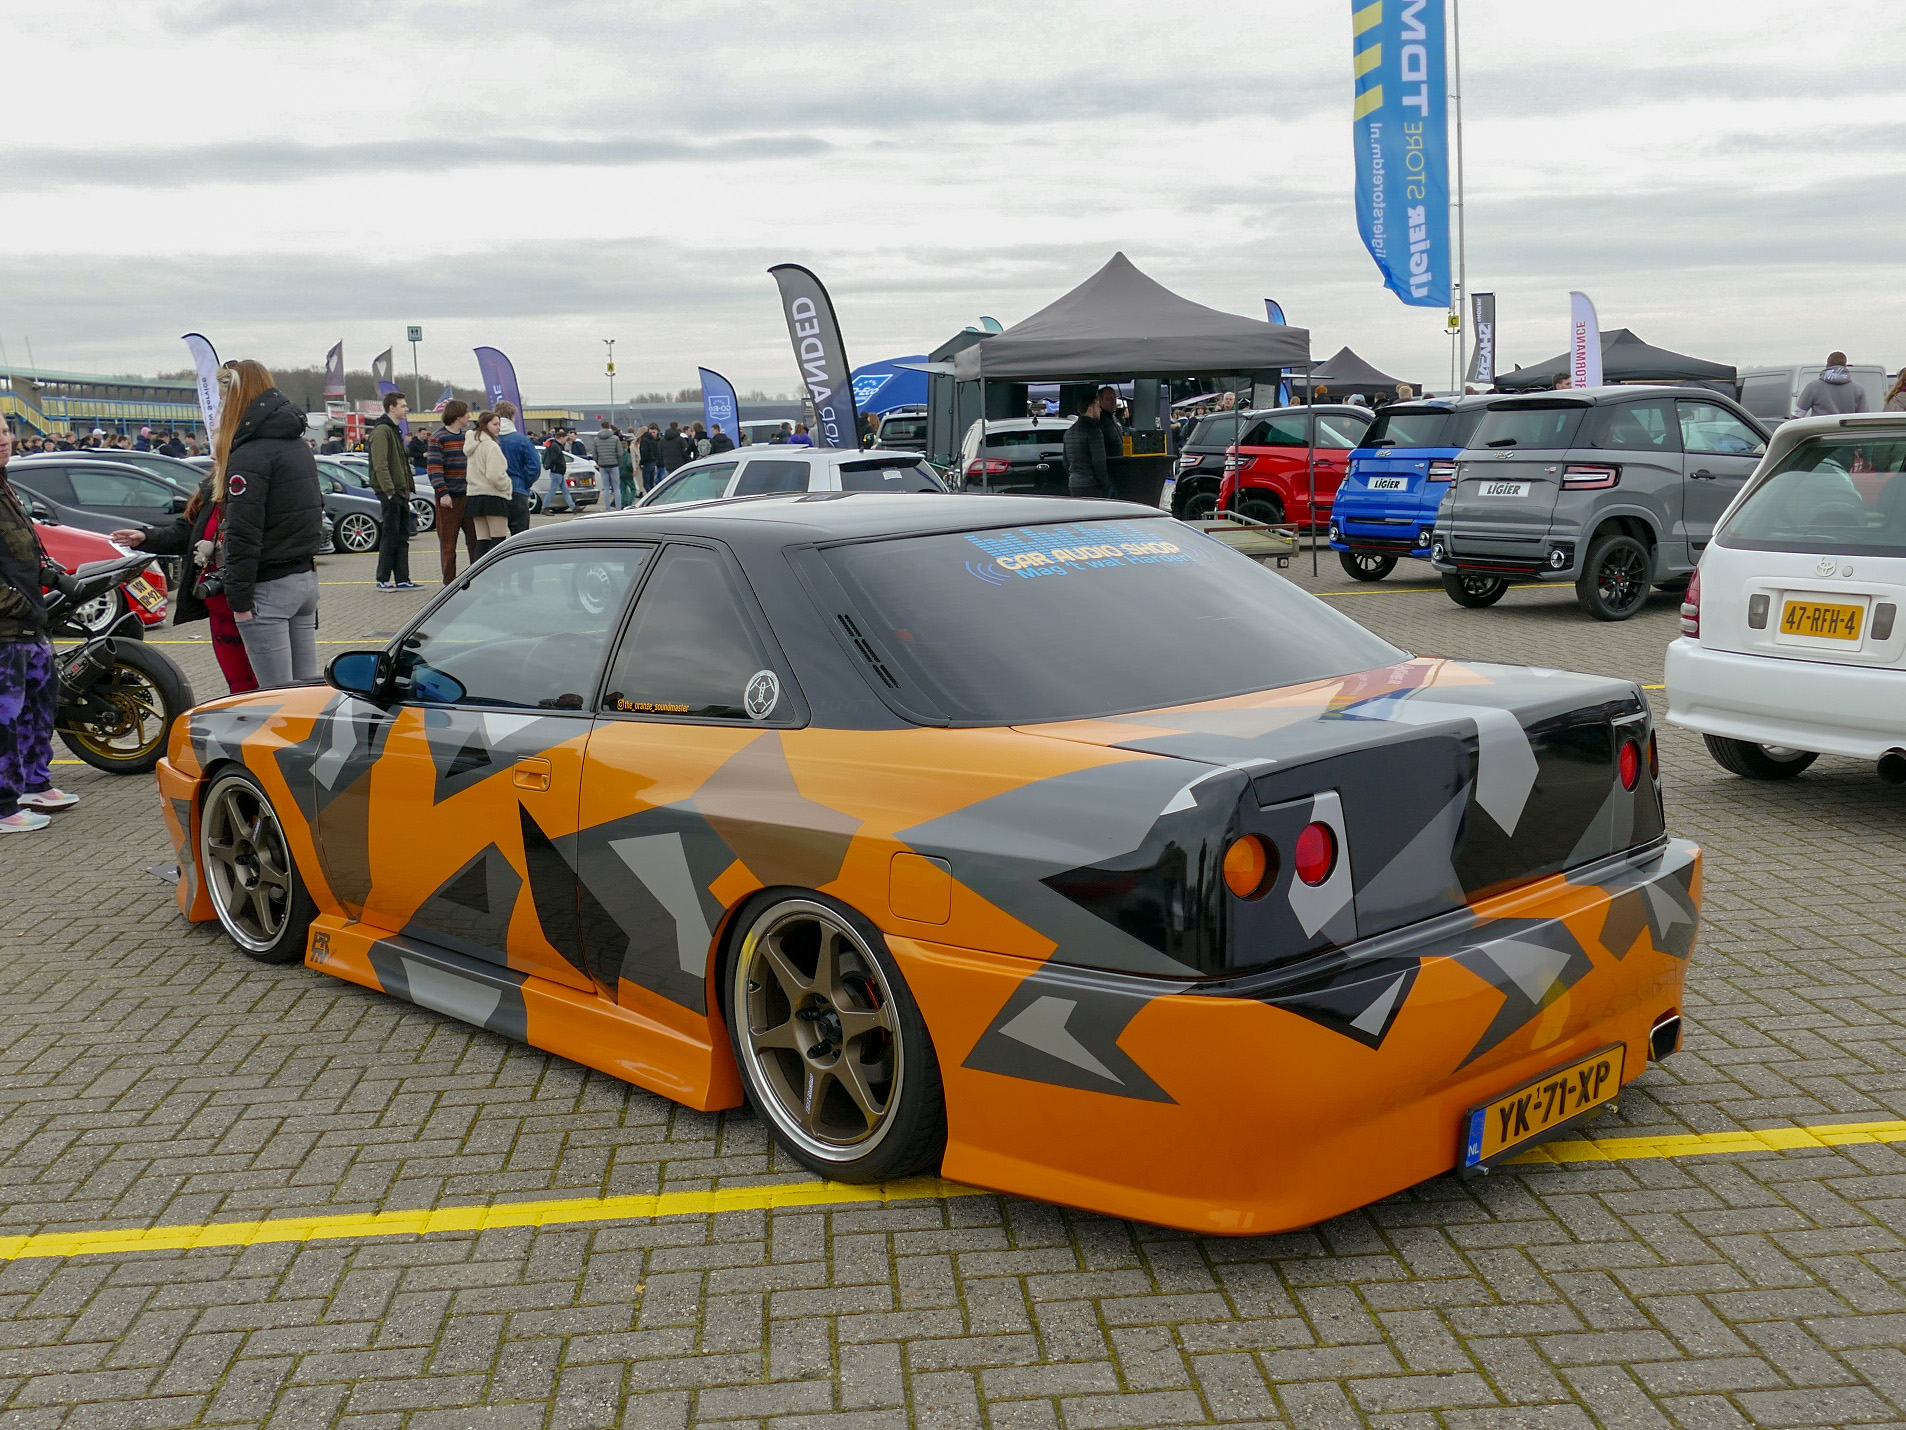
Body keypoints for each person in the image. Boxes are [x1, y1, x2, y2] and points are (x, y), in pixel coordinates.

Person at [211, 360, 326, 687]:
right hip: (303, 579)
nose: (220, 406)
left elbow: (244, 532)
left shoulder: (250, 455)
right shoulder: (298, 446)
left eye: (223, 397)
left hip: (270, 587)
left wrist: (239, 600)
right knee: (305, 693)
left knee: (275, 699)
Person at [112, 471, 259, 695]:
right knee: (239, 684)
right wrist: (146, 538)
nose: (213, 443)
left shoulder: (250, 483)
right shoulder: (213, 485)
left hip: (255, 603)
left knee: (268, 683)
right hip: (219, 605)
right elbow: (187, 531)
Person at [0, 421, 79, 832]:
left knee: (39, 706)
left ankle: (34, 782)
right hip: (7, 628)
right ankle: (3, 805)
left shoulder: (6, 486)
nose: (2, 439)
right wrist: (22, 606)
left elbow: (24, 550)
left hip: (30, 624)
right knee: (4, 718)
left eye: (4, 431)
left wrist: (51, 575)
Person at [367, 390, 420, 591]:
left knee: (402, 536)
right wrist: (389, 491)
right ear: (392, 407)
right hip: (391, 492)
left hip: (401, 490)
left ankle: (402, 578)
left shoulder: (395, 431)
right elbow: (380, 464)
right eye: (403, 405)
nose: (406, 409)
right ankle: (383, 578)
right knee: (390, 535)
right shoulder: (382, 431)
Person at [427, 400, 476, 583]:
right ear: (457, 415)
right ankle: (449, 583)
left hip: (469, 497)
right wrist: (443, 492)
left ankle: (477, 579)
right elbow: (434, 468)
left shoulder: (468, 438)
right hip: (449, 499)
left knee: (475, 542)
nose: (469, 416)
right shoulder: (438, 438)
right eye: (466, 413)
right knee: (448, 545)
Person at [462, 411, 514, 558]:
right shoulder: (490, 446)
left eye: (499, 424)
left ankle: (479, 576)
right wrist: (507, 485)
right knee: (498, 542)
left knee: (482, 541)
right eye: (495, 424)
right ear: (485, 425)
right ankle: (497, 578)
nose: (498, 427)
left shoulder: (473, 443)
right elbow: (495, 474)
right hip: (493, 496)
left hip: (475, 496)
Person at [1064, 387, 1123, 499]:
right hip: (1091, 484)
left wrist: (1074, 476)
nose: (1099, 409)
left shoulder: (1069, 432)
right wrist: (1105, 484)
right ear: (1090, 409)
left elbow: (1066, 461)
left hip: (1074, 484)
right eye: (1097, 406)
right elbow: (1098, 462)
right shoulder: (1094, 432)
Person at [494, 401, 540, 535]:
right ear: (513, 416)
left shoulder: (489, 440)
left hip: (494, 491)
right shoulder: (522, 440)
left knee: (495, 538)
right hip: (517, 490)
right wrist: (525, 481)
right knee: (520, 536)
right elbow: (535, 466)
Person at [1795, 353, 1870, 417]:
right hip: (1846, 433)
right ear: (1845, 366)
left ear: (1827, 365)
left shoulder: (1813, 387)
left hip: (1819, 432)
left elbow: (1797, 415)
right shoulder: (1858, 389)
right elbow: (1863, 418)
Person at [591, 419, 623, 511]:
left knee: (606, 488)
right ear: (609, 427)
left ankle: (608, 508)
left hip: (603, 465)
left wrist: (599, 462)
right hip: (614, 465)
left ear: (601, 427)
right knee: (616, 488)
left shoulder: (596, 439)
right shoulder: (615, 438)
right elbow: (620, 453)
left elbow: (594, 454)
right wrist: (617, 461)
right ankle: (618, 507)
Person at [542, 433, 573, 512]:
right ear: (561, 438)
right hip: (556, 472)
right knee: (552, 491)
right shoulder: (555, 446)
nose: (565, 440)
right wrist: (561, 465)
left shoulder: (557, 446)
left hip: (559, 472)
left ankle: (573, 507)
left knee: (565, 491)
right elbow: (554, 459)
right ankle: (545, 507)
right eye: (565, 438)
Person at [638, 424, 662, 489]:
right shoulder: (653, 439)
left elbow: (644, 452)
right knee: (651, 483)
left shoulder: (644, 440)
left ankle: (650, 497)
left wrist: (642, 463)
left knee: (646, 483)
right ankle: (654, 495)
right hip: (653, 462)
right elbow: (657, 451)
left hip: (647, 463)